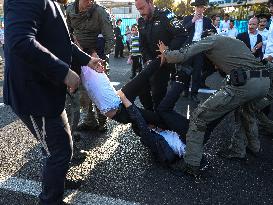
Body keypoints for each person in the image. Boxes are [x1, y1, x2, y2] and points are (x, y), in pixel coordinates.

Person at [3, 0, 104, 204]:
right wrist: (64, 72)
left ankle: (59, 180)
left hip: (47, 90)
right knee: (58, 151)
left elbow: (60, 42)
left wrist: (86, 60)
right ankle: (50, 200)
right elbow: (20, 41)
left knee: (62, 145)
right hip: (33, 93)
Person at [158, 35, 270, 176]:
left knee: (200, 116)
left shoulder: (210, 40)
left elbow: (181, 56)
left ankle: (192, 164)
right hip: (264, 82)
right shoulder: (236, 42)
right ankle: (246, 148)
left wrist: (165, 52)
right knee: (245, 113)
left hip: (245, 84)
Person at [66, 0, 114, 133]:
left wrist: (100, 58)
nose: (90, 2)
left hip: (97, 55)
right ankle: (89, 121)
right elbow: (67, 33)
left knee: (99, 89)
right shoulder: (70, 10)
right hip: (78, 56)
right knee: (82, 92)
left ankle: (102, 122)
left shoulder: (100, 12)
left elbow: (110, 39)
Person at [135, 0, 188, 111]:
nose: (140, 12)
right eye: (138, 9)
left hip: (167, 60)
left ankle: (160, 120)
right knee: (141, 88)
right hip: (152, 61)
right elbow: (142, 45)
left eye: (142, 8)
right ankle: (151, 114)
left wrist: (167, 51)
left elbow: (182, 35)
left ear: (150, 3)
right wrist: (148, 59)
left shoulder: (166, 15)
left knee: (158, 93)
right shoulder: (141, 21)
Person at [181, 0, 214, 102]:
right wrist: (193, 20)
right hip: (188, 46)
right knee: (186, 70)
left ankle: (194, 93)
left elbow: (213, 31)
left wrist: (209, 33)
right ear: (194, 8)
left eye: (201, 7)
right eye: (197, 7)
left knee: (197, 71)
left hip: (200, 47)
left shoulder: (207, 20)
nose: (199, 9)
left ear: (204, 8)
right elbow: (182, 31)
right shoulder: (188, 18)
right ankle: (185, 90)